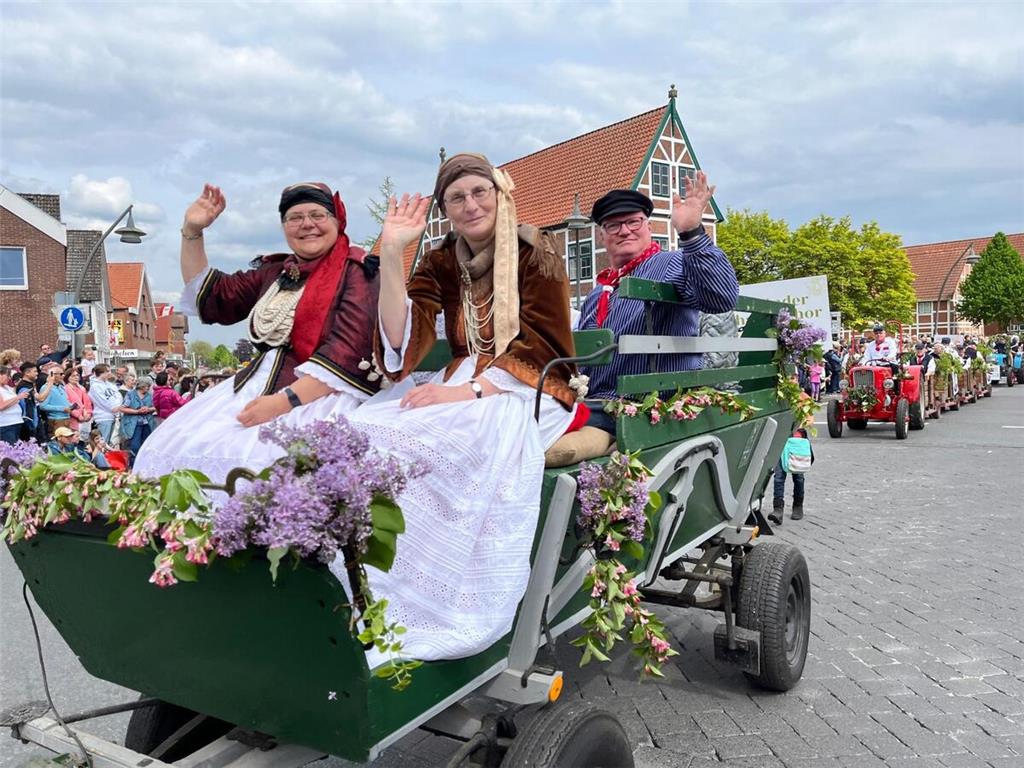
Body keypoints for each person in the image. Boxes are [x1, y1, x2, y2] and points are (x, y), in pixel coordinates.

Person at [331, 153, 579, 663]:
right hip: (462, 376)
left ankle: (434, 591)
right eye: (457, 198)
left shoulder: (537, 250)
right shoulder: (441, 259)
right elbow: (405, 339)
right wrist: (395, 254)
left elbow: (545, 344)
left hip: (528, 385)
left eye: (479, 192)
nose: (470, 205)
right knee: (363, 427)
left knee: (436, 441)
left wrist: (466, 392)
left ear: (499, 194)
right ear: (445, 209)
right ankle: (359, 576)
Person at [133, 182, 380, 484]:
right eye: (294, 217)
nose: (307, 225)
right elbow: (215, 297)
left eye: (317, 215)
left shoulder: (359, 272)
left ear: (337, 221)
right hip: (251, 390)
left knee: (270, 466)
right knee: (177, 447)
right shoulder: (276, 273)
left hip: (321, 394)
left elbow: (349, 350)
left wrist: (282, 403)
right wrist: (193, 232)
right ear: (284, 226)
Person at [575, 175, 739, 446]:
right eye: (613, 225)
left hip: (643, 406)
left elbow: (721, 298)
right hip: (593, 404)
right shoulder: (598, 292)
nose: (625, 230)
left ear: (648, 226)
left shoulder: (672, 263)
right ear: (601, 235)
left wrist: (692, 233)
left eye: (633, 221)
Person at [768, 427, 814, 524]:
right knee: (779, 477)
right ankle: (778, 509)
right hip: (781, 438)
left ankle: (798, 505)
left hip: (796, 440)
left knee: (798, 478)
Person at [120, 377, 156, 467]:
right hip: (134, 424)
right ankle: (134, 465)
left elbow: (155, 407)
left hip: (147, 423)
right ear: (140, 386)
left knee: (147, 445)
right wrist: (137, 411)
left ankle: (146, 465)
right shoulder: (130, 395)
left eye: (148, 386)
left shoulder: (150, 396)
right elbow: (122, 408)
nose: (147, 388)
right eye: (145, 386)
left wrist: (148, 409)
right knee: (135, 446)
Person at [88, 364, 123, 444]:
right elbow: (101, 401)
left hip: (115, 416)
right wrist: (113, 408)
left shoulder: (110, 384)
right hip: (104, 417)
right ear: (101, 373)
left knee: (112, 442)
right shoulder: (95, 386)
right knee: (103, 441)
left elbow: (118, 395)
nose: (109, 373)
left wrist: (119, 407)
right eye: (107, 371)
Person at [38, 364, 73, 438]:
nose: (63, 376)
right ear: (52, 375)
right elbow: (43, 406)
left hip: (66, 418)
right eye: (61, 374)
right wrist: (62, 408)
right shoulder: (46, 388)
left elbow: (64, 401)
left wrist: (70, 406)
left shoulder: (61, 387)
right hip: (56, 420)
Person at [0, 366, 30, 444]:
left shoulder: (8, 387)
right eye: (8, 375)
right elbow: (1, 406)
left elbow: (14, 401)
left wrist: (21, 396)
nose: (9, 378)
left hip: (16, 421)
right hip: (6, 424)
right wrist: (18, 397)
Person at [63, 367, 94, 440]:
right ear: (68, 377)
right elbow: (68, 404)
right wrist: (78, 415)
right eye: (73, 376)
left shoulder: (82, 388)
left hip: (85, 418)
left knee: (84, 440)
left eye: (77, 375)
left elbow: (87, 403)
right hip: (73, 419)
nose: (76, 377)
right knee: (74, 439)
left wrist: (89, 413)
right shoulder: (65, 389)